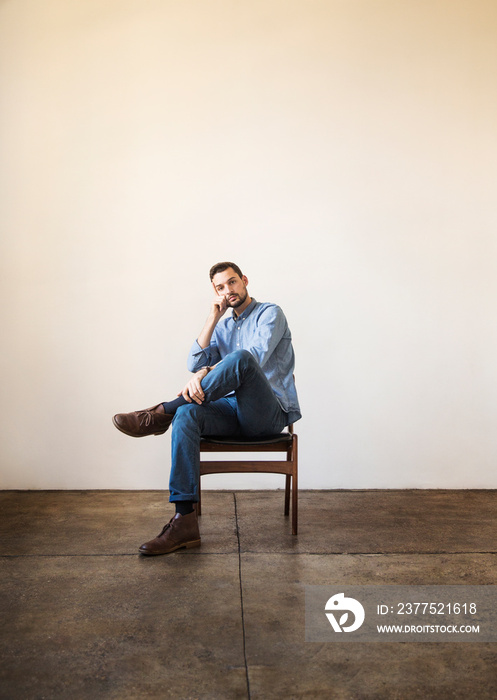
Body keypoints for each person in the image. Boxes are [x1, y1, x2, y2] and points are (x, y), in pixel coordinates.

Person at [113, 262, 301, 555]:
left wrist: (204, 373)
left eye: (232, 282)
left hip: (267, 414)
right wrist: (213, 317)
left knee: (241, 359)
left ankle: (163, 411)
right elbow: (194, 362)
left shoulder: (270, 314)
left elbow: (254, 359)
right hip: (231, 411)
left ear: (245, 281)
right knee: (188, 414)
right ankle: (183, 521)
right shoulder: (224, 324)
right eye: (220, 287)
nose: (229, 291)